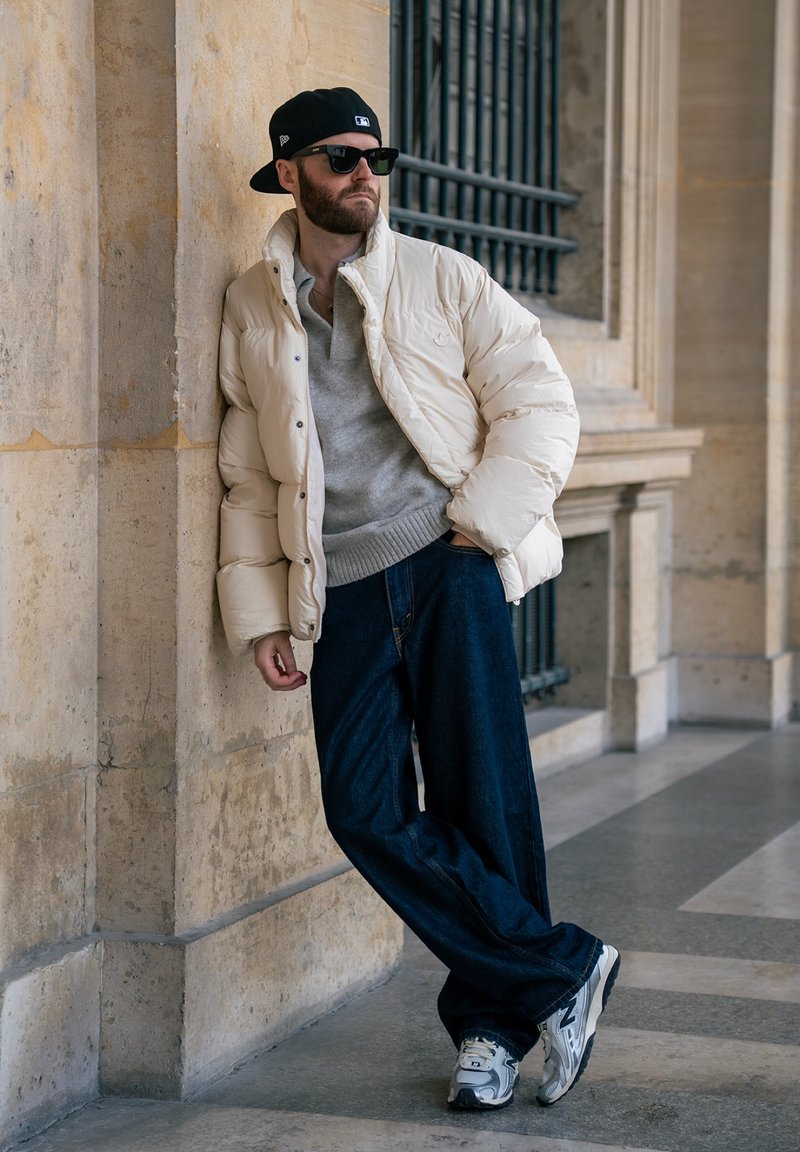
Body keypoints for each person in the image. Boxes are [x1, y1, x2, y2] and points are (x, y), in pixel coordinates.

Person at [216, 86, 619, 1110]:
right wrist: (263, 612)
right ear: (289, 172)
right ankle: (560, 969)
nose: (365, 174)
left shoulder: (443, 276)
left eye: (375, 158)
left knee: (483, 799)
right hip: (342, 589)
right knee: (362, 809)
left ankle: (489, 1034)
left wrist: (479, 526)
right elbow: (249, 474)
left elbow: (539, 401)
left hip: (447, 565)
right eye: (341, 158)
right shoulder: (251, 303)